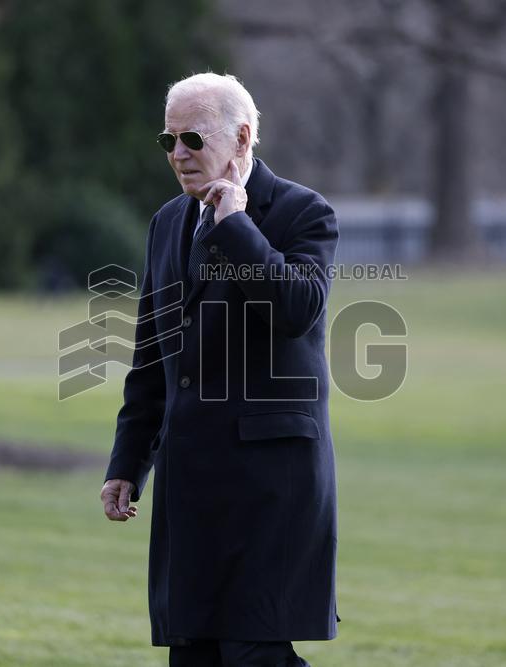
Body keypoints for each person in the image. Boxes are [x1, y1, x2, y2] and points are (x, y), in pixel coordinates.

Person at [100, 72, 339, 667]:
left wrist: (235, 224)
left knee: (255, 655)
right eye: (169, 140)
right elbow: (151, 359)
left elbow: (296, 309)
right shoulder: (166, 223)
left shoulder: (304, 213)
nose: (178, 153)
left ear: (243, 137)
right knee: (196, 656)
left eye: (193, 139)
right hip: (191, 485)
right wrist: (128, 463)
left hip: (270, 486)